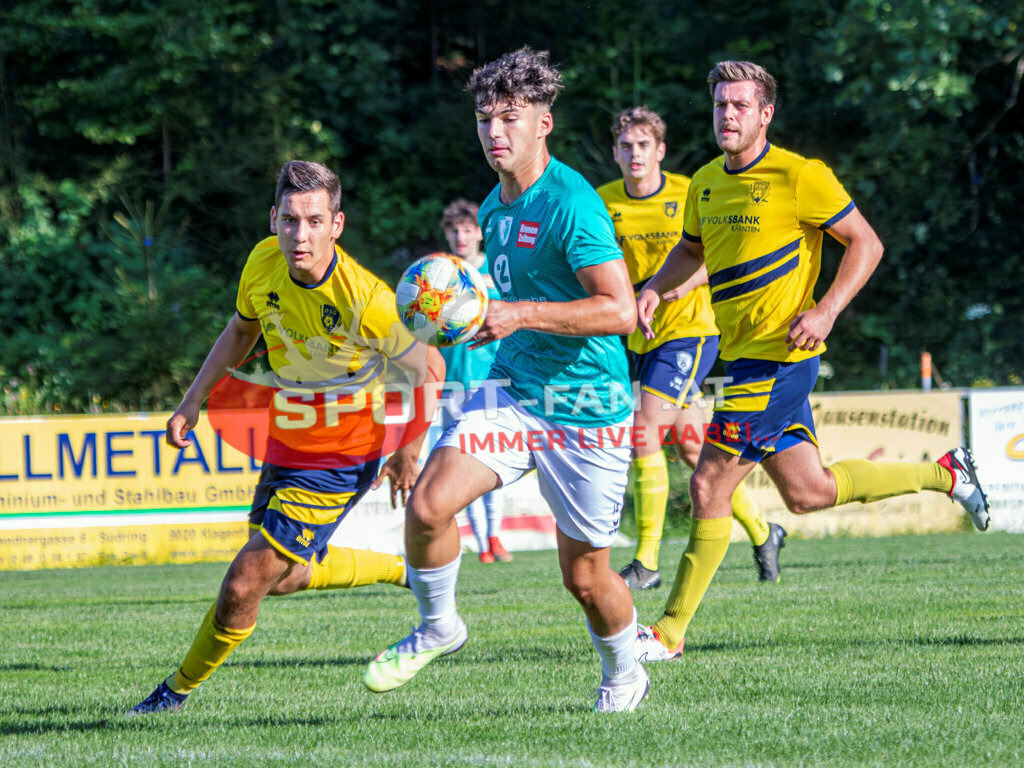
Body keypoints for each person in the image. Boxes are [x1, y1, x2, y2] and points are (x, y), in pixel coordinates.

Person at [633, 61, 990, 662]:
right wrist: (654, 286)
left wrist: (825, 311)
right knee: (808, 493)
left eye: (741, 106)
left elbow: (867, 244)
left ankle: (669, 631)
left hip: (778, 358)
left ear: (765, 114)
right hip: (741, 354)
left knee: (708, 482)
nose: (728, 115)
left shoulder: (802, 176)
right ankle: (947, 474)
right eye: (721, 104)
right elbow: (690, 252)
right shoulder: (703, 183)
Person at [363, 47, 650, 713]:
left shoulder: (571, 204)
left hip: (586, 406)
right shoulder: (493, 207)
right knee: (429, 505)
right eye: (484, 119)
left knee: (585, 576)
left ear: (543, 123)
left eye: (510, 118)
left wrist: (516, 313)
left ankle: (624, 673)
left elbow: (620, 311)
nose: (495, 132)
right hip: (515, 392)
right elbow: (496, 309)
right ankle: (439, 625)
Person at [130, 160, 445, 713]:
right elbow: (241, 329)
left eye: (315, 221)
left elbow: (431, 368)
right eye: (291, 221)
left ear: (337, 224)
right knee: (284, 576)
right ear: (273, 218)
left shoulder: (366, 300)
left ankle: (171, 695)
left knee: (243, 584)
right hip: (289, 437)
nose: (301, 235)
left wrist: (410, 448)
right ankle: (400, 565)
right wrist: (192, 399)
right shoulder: (262, 260)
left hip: (344, 452)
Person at [596, 106, 785, 589]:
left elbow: (724, 251)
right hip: (638, 336)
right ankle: (766, 532)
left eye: (643, 145)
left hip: (691, 330)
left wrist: (685, 282)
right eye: (625, 146)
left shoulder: (690, 190)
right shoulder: (603, 202)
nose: (634, 154)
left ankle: (647, 562)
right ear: (614, 153)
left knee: (643, 431)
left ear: (660, 151)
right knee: (691, 447)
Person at [437, 198, 512, 564]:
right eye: (453, 229)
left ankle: (495, 536)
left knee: (489, 461)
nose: (460, 236)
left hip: (490, 380)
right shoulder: (438, 274)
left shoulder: (496, 272)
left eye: (467, 229)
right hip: (449, 382)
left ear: (480, 233)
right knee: (458, 463)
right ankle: (482, 543)